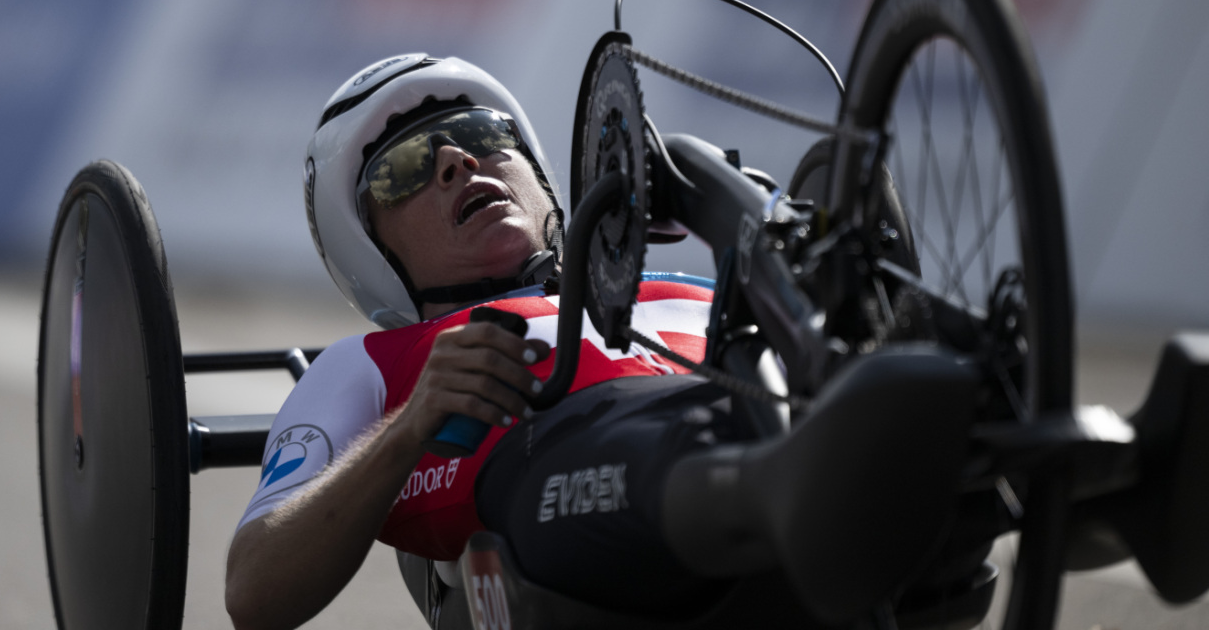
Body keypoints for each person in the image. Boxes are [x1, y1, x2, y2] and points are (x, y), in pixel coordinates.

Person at [224, 54, 971, 630]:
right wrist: (411, 423)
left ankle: (975, 428)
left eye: (484, 135)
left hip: (765, 421)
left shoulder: (688, 289)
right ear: (369, 247)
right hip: (559, 501)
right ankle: (811, 487)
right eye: (405, 170)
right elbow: (255, 590)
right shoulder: (368, 366)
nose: (458, 161)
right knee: (642, 434)